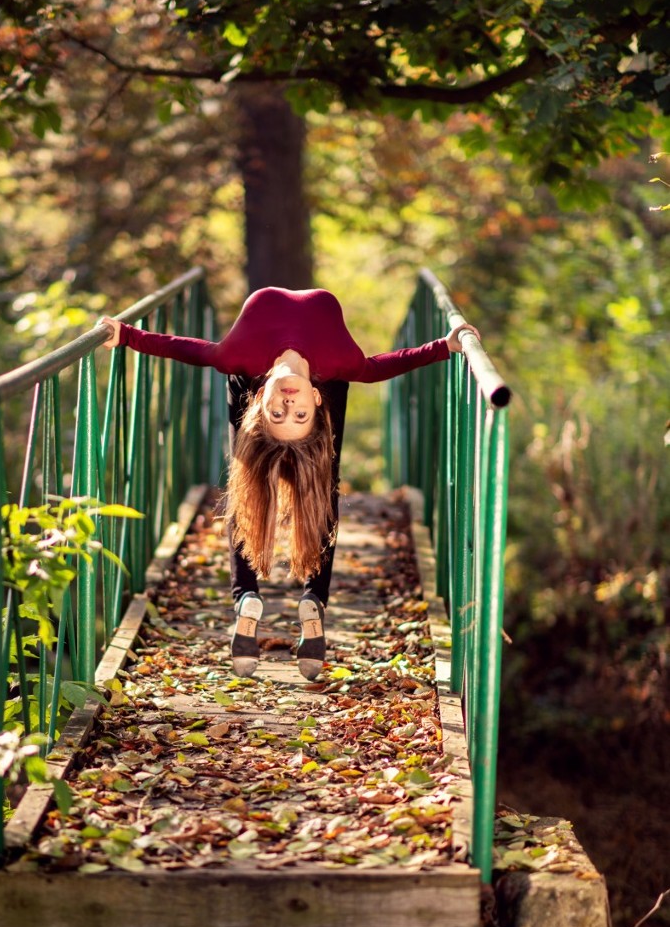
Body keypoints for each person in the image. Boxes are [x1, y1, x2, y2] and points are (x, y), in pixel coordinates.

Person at [101, 286, 478, 680]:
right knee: (264, 485)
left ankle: (265, 597)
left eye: (280, 411)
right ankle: (295, 598)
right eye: (296, 413)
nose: (288, 403)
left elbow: (189, 349)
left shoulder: (238, 357)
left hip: (258, 378)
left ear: (263, 397)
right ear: (312, 399)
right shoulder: (338, 363)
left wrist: (127, 335)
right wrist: (443, 346)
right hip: (324, 375)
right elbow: (379, 366)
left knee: (291, 480)